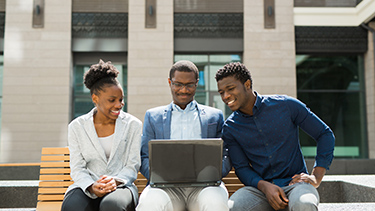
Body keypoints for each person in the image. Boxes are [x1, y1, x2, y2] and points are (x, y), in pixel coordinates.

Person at [215, 62, 335, 211]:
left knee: (304, 204)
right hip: (260, 191)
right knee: (234, 206)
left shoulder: (286, 105)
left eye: (230, 89)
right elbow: (242, 168)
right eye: (221, 92)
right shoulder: (230, 128)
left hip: (296, 185)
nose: (225, 96)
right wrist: (265, 187)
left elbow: (324, 134)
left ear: (247, 84)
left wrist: (316, 176)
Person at [136, 60, 232, 211]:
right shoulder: (153, 116)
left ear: (196, 83)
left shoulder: (214, 116)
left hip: (205, 187)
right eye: (178, 84)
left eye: (189, 85)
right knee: (149, 204)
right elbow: (144, 156)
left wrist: (214, 173)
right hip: (165, 188)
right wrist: (159, 176)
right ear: (170, 82)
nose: (184, 90)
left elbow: (225, 153)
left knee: (215, 204)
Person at [61, 60, 142, 211]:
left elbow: (133, 164)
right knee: (72, 207)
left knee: (111, 206)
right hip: (86, 186)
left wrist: (116, 181)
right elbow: (77, 167)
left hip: (121, 186)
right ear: (95, 99)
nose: (118, 105)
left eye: (121, 99)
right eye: (112, 100)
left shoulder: (133, 125)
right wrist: (91, 186)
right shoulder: (76, 127)